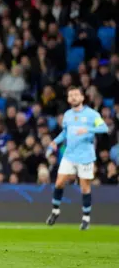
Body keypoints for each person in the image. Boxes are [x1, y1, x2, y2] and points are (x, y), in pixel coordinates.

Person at [46, 86, 108, 230]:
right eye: (70, 95)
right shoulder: (67, 115)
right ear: (68, 99)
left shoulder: (92, 114)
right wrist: (55, 141)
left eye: (76, 95)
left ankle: (86, 218)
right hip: (69, 155)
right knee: (59, 182)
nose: (73, 97)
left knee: (84, 187)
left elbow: (104, 128)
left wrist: (88, 129)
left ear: (82, 98)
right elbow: (65, 133)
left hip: (85, 156)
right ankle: (55, 211)